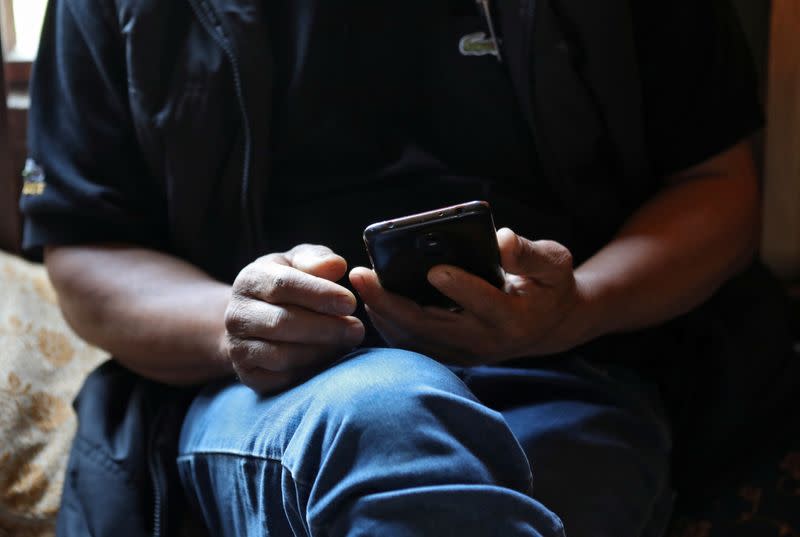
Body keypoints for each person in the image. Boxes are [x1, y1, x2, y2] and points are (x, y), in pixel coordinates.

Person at [19, 0, 798, 535]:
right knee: (390, 416)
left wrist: (579, 305)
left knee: (544, 471)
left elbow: (717, 186)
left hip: (570, 376)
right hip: (267, 394)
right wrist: (239, 322)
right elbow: (88, 251)